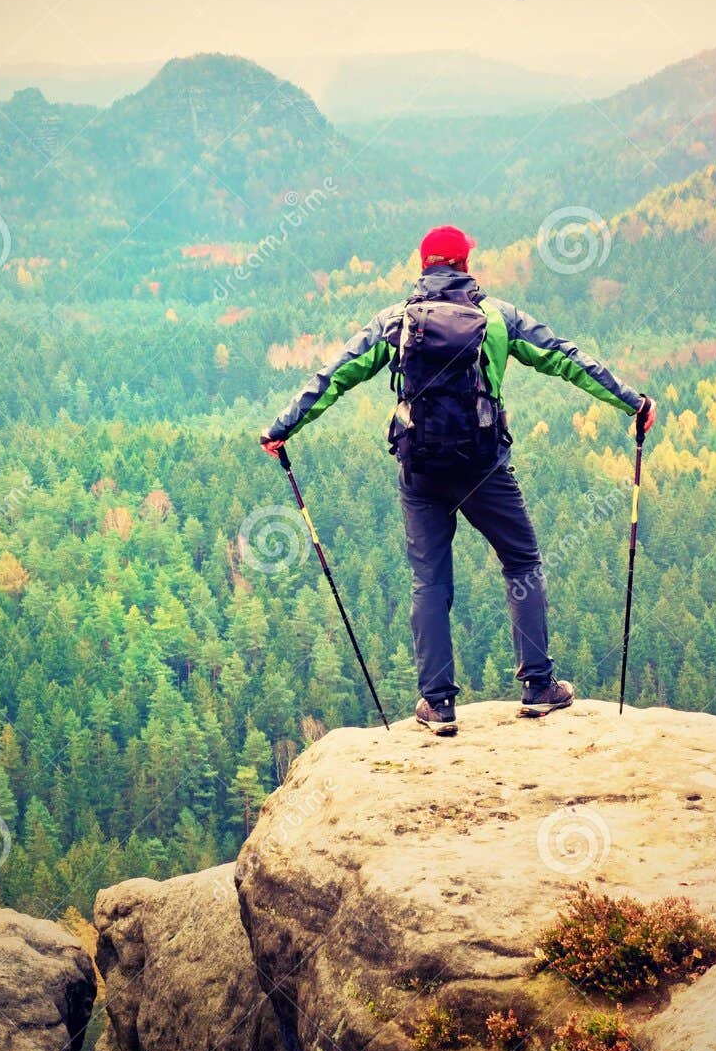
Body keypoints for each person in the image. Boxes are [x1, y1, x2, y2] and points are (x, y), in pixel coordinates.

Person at [261, 225, 653, 736]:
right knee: (522, 563)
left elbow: (334, 374)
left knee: (429, 581)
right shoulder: (497, 317)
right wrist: (632, 401)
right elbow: (564, 357)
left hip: (420, 470)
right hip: (484, 467)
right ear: (467, 265)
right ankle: (538, 687)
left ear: (423, 266)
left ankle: (438, 704)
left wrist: (282, 427)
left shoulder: (395, 321)